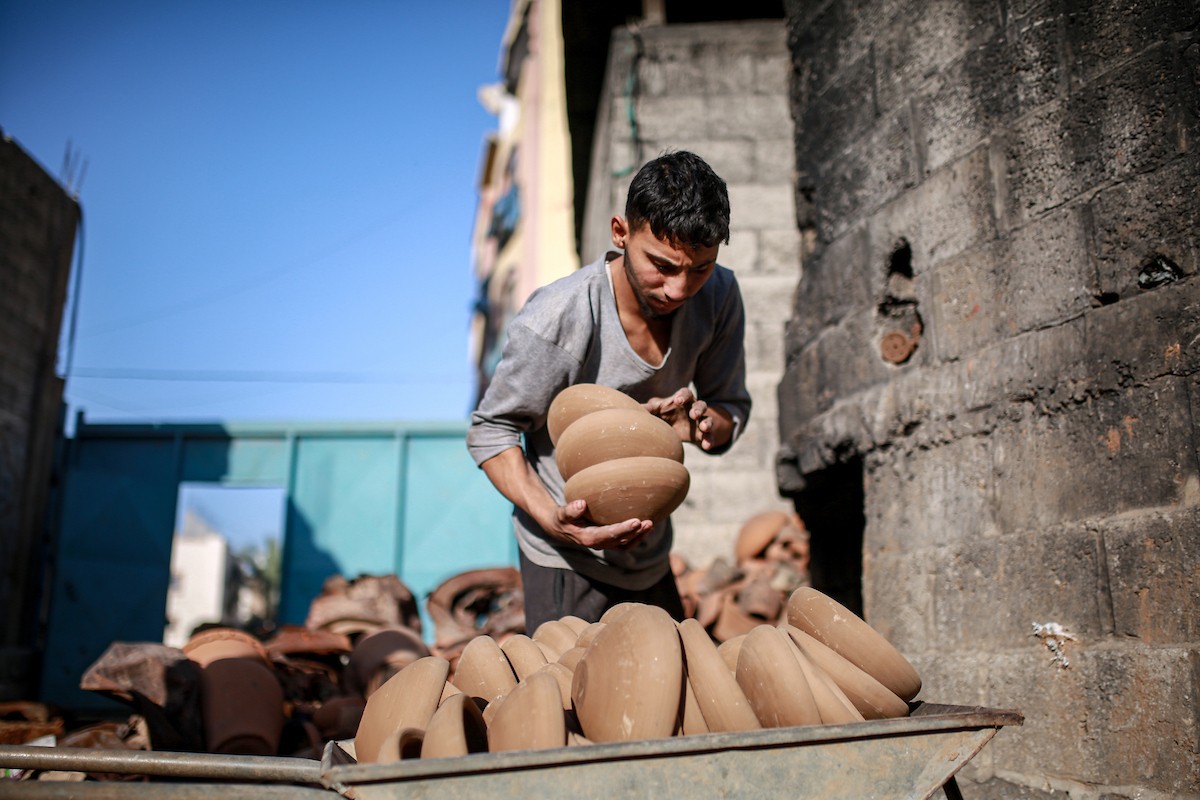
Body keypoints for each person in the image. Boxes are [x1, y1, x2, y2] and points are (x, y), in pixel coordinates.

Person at [467, 150, 751, 631]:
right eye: (661, 265)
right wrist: (553, 517)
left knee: (672, 696)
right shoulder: (558, 317)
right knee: (571, 699)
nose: (680, 289)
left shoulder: (719, 296)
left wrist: (701, 425)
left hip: (651, 554)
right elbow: (491, 431)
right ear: (620, 233)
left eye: (699, 268)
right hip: (565, 558)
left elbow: (728, 411)